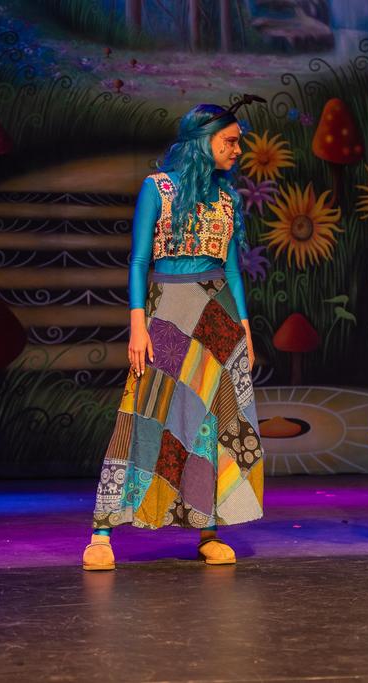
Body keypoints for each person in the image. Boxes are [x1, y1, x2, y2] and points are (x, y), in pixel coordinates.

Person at [83, 101, 265, 570]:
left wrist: (244, 328)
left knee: (212, 421)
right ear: (203, 141)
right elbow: (139, 260)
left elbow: (232, 269)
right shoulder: (158, 188)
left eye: (238, 142)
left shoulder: (226, 198)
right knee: (145, 414)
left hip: (218, 314)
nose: (237, 150)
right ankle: (103, 531)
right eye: (230, 141)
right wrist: (137, 323)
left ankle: (208, 529)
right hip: (167, 310)